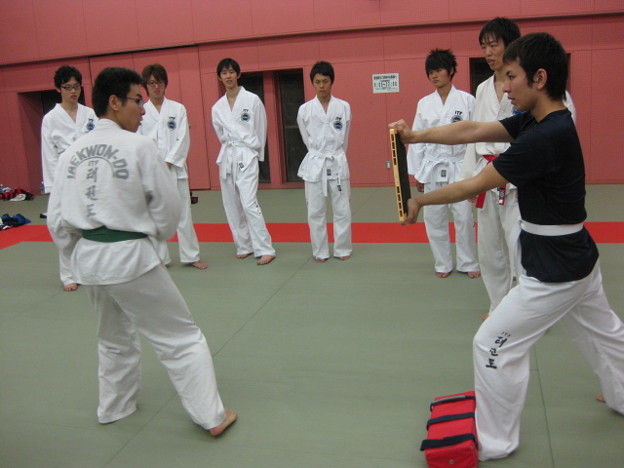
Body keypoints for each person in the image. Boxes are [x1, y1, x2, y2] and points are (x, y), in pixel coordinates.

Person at [390, 32, 624, 461]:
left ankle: (497, 440)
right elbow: (473, 129)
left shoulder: (544, 137)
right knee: (603, 331)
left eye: (512, 76)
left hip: (556, 269)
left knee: (491, 343)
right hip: (575, 255)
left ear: (539, 78)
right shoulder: (537, 120)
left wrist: (420, 200)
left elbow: (476, 183)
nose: (505, 87)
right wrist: (415, 137)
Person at [47, 67, 237, 436]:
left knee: (112, 338)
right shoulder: (139, 146)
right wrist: (156, 238)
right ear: (114, 102)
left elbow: (56, 221)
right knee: (181, 338)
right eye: (137, 100)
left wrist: (73, 257)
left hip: (89, 260)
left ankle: (114, 407)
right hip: (130, 257)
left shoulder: (71, 154)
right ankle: (211, 416)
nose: (143, 109)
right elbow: (168, 207)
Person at [462, 18, 577, 315]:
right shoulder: (483, 89)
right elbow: (474, 134)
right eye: (483, 47)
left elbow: (556, 132)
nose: (488, 53)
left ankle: (529, 308)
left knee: (521, 246)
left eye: (493, 45)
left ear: (511, 45)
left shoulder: (534, 87)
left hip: (519, 178)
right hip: (487, 174)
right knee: (490, 249)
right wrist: (468, 176)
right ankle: (498, 305)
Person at [407, 49, 479, 278]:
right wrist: (418, 172)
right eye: (430, 72)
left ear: (451, 71)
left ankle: (468, 262)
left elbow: (476, 137)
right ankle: (442, 263)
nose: (434, 76)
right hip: (432, 167)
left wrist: (474, 173)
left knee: (464, 218)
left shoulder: (467, 100)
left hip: (460, 166)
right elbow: (416, 138)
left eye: (438, 70)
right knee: (434, 218)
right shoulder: (424, 103)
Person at [138, 64, 207, 269]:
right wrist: (153, 164)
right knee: (154, 215)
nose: (156, 87)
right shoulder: (141, 111)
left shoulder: (178, 109)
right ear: (146, 86)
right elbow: (138, 141)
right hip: (151, 171)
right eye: (151, 83)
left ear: (165, 84)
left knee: (183, 214)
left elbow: (183, 138)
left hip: (175, 169)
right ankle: (160, 259)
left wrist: (168, 161)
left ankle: (191, 255)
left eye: (159, 82)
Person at [211, 58, 276, 265]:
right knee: (231, 203)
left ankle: (265, 248)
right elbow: (220, 134)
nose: (228, 76)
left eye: (231, 72)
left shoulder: (252, 100)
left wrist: (257, 154)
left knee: (249, 203)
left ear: (238, 74)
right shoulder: (217, 107)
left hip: (247, 154)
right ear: (219, 77)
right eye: (224, 73)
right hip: (228, 155)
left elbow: (261, 129)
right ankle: (244, 245)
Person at [41, 65, 97, 291]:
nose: (73, 91)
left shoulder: (90, 114)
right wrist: (55, 186)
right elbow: (49, 154)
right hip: (63, 179)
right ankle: (68, 275)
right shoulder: (50, 119)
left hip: (89, 176)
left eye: (76, 87)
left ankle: (88, 270)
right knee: (63, 227)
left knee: (89, 225)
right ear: (58, 89)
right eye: (67, 87)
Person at [297, 61, 352, 262]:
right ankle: (320, 251)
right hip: (316, 161)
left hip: (337, 159)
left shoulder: (344, 107)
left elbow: (345, 139)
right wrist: (318, 153)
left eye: (325, 81)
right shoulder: (304, 110)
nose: (321, 86)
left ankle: (342, 249)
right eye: (318, 82)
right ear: (312, 83)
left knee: (342, 209)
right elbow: (306, 139)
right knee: (315, 211)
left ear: (332, 82)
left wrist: (338, 156)